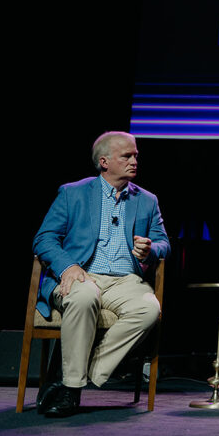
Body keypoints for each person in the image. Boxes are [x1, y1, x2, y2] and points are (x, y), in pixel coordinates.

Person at [32, 131, 170, 417]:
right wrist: (68, 266)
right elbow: (44, 238)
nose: (134, 161)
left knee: (148, 310)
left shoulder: (147, 200)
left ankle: (76, 376)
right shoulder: (73, 193)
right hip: (83, 275)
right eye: (126, 156)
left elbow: (164, 243)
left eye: (135, 156)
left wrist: (150, 249)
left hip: (125, 279)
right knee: (82, 297)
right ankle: (71, 391)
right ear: (104, 162)